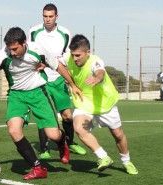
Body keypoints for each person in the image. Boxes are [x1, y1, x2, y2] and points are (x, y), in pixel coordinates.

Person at [0, 27, 81, 180]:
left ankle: (62, 142)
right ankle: (38, 168)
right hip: (17, 96)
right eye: (10, 49)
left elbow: (58, 66)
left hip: (38, 93)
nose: (13, 52)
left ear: (24, 43)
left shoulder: (38, 50)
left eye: (15, 49)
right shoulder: (2, 56)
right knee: (14, 130)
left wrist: (73, 85)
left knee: (53, 134)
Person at [59, 34, 138, 175]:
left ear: (88, 52)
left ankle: (127, 162)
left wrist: (97, 78)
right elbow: (57, 64)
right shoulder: (68, 57)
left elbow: (100, 72)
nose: (75, 58)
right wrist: (71, 83)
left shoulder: (96, 61)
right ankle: (103, 157)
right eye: (73, 55)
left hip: (104, 103)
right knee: (78, 127)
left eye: (78, 55)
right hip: (84, 102)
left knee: (118, 134)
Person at [28, 3, 86, 159]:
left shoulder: (65, 33)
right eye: (45, 16)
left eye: (51, 16)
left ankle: (71, 142)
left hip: (59, 79)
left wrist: (71, 78)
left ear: (56, 17)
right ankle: (44, 149)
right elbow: (32, 52)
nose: (47, 20)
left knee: (67, 115)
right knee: (43, 115)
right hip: (42, 79)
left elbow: (67, 56)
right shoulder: (34, 31)